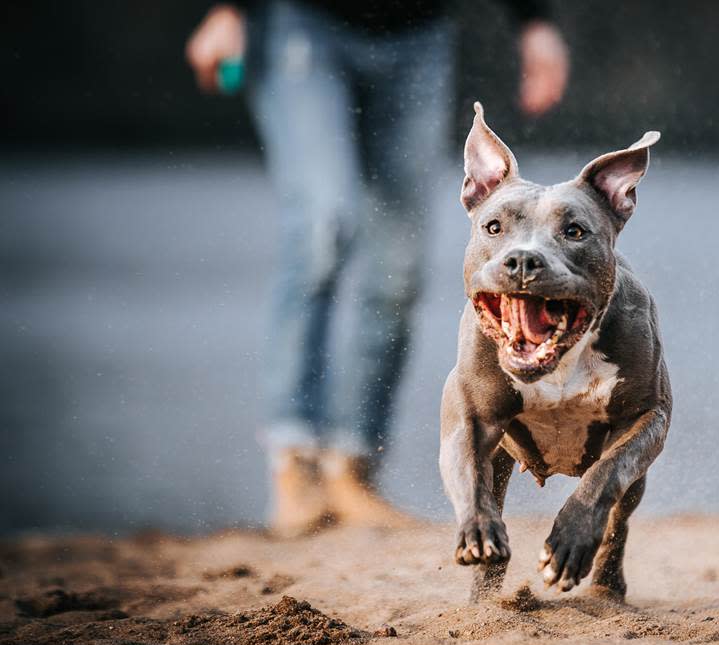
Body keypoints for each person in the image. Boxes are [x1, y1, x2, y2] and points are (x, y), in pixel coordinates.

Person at [186, 1, 569, 535]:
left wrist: (535, 24)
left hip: (419, 38)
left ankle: (352, 469)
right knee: (324, 224)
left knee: (399, 266)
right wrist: (228, 10)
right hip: (301, 22)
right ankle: (294, 465)